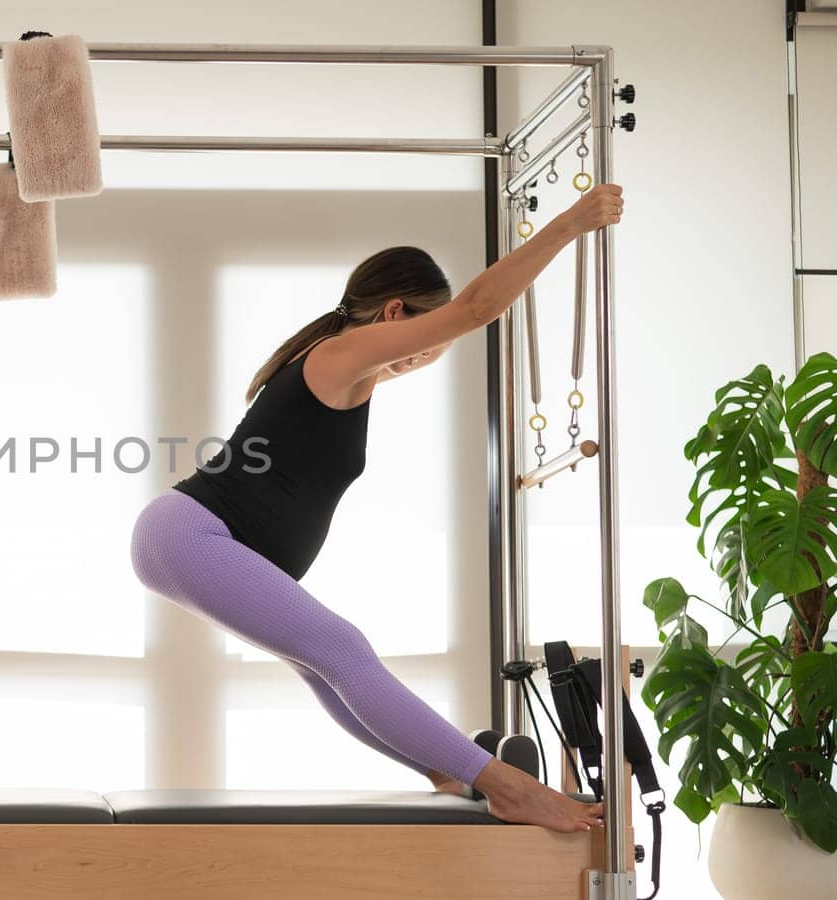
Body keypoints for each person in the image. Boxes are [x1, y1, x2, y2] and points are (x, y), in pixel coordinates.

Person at [131, 185, 624, 833]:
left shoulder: (352, 373)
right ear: (394, 312)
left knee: (325, 665)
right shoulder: (340, 353)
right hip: (192, 534)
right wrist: (570, 224)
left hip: (193, 540)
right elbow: (477, 308)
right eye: (426, 328)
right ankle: (506, 786)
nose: (431, 348)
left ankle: (447, 770)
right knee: (345, 649)